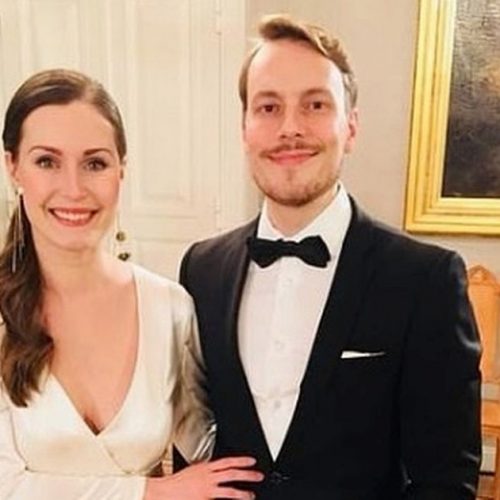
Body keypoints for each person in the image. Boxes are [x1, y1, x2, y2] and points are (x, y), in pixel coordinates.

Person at [178, 14, 482, 500]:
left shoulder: (425, 279)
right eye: (268, 107)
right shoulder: (202, 269)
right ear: (244, 128)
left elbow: (445, 480)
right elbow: (193, 441)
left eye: (315, 105)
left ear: (351, 126)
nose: (290, 128)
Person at [0, 69, 263, 500]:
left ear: (121, 170)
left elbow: (206, 444)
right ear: (12, 166)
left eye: (95, 163)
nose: (73, 189)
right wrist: (153, 492)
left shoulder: (170, 307)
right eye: (47, 161)